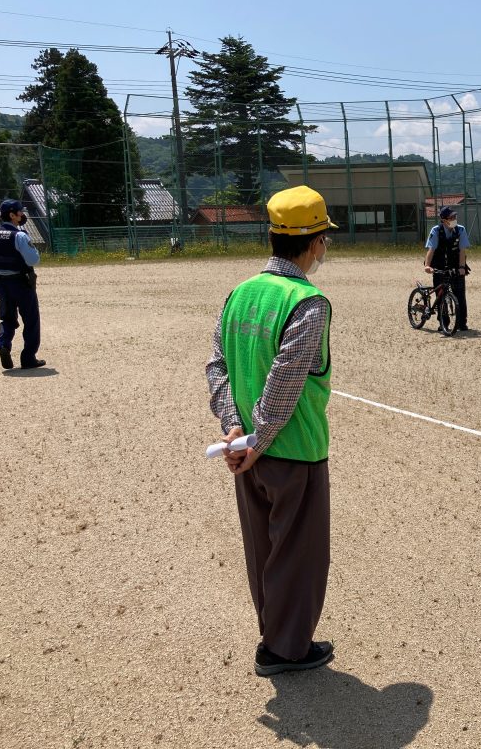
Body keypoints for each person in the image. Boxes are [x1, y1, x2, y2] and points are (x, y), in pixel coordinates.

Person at [206, 185, 336, 676]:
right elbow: (285, 380)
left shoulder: (239, 293)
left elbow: (217, 364)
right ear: (316, 243)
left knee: (262, 547)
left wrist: (234, 428)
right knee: (299, 554)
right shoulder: (307, 301)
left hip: (246, 451)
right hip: (294, 450)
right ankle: (286, 650)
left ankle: (275, 636)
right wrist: (259, 439)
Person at [0, 199, 45, 370]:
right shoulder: (20, 235)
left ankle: (4, 345)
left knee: (7, 318)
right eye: (20, 212)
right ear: (12, 215)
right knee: (31, 320)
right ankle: (28, 358)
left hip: (1, 284)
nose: (22, 214)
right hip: (21, 283)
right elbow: (33, 260)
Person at [424, 206, 470, 331]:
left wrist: (462, 267)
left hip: (456, 265)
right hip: (439, 265)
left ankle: (462, 322)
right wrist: (427, 265)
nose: (454, 219)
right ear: (444, 220)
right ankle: (443, 323)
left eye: (455, 216)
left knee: (460, 294)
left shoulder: (460, 230)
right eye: (451, 217)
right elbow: (431, 249)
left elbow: (462, 251)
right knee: (440, 295)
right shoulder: (436, 230)